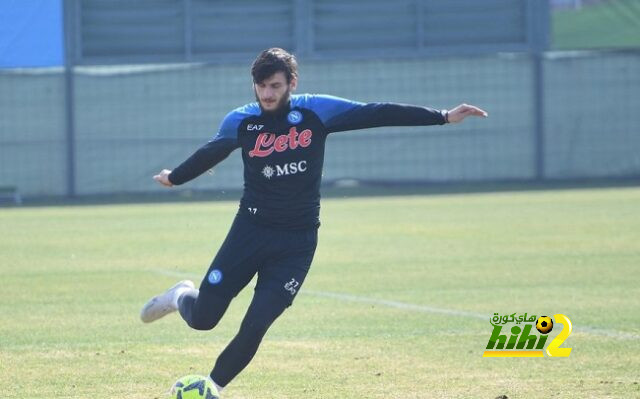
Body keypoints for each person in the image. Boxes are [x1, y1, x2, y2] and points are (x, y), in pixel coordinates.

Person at [140, 47, 487, 394]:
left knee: (256, 323)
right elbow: (212, 151)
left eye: (275, 85)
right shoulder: (241, 120)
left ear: (292, 82)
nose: (267, 94)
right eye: (260, 86)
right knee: (203, 320)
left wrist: (442, 116)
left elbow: (374, 113)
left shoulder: (315, 110)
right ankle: (181, 294)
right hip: (249, 233)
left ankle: (212, 388)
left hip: (296, 243)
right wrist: (177, 177)